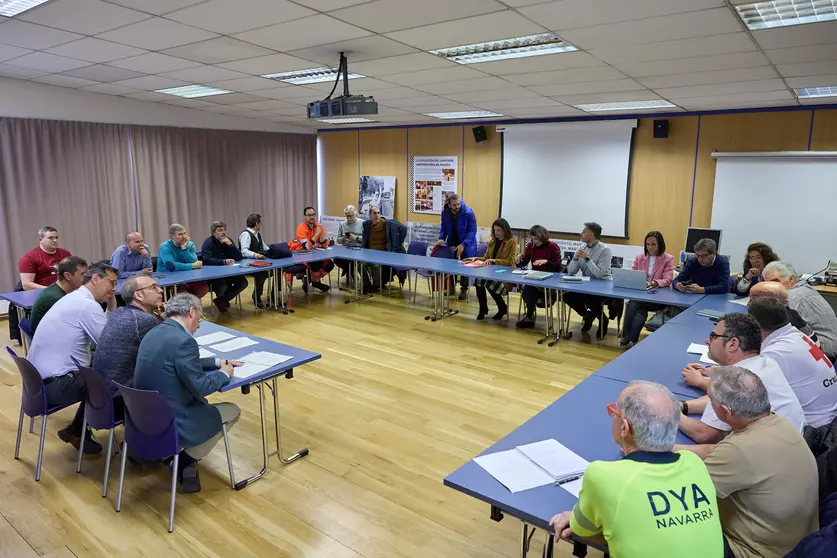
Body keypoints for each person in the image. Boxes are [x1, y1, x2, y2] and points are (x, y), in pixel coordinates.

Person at [549, 381, 724, 558]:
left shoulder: (601, 474)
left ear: (625, 427)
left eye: (614, 412)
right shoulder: (694, 463)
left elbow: (584, 530)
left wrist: (573, 517)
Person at [700, 367, 818, 558]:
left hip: (755, 551)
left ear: (725, 412)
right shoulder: (780, 424)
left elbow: (689, 493)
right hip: (798, 542)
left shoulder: (738, 449)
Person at [133, 294, 242, 493]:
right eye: (200, 317)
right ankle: (184, 460)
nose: (199, 324)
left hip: (142, 416)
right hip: (172, 420)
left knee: (203, 403)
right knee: (232, 411)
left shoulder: (155, 331)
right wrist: (223, 374)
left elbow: (179, 362)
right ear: (192, 312)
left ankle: (177, 458)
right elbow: (200, 387)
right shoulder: (184, 341)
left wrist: (217, 362)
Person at [678, 313, 805, 458]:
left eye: (713, 336)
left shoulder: (734, 379)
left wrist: (671, 413)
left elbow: (706, 434)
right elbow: (720, 399)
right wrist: (683, 406)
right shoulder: (766, 363)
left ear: (733, 344)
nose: (707, 341)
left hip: (771, 460)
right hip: (795, 449)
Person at [26, 261, 118, 454]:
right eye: (112, 283)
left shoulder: (73, 298)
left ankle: (78, 429)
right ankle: (139, 432)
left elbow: (105, 337)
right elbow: (111, 345)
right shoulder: (86, 306)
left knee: (99, 367)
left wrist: (110, 304)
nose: (115, 288)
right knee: (115, 377)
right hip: (57, 385)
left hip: (37, 383)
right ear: (95, 278)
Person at [748, 297, 837, 428]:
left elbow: (743, 392)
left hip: (815, 430)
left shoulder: (775, 353)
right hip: (829, 415)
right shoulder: (797, 335)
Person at [92, 275, 164, 420]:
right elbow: (171, 353)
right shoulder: (145, 320)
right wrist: (168, 322)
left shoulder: (119, 312)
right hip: (121, 402)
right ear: (138, 295)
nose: (161, 290)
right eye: (153, 287)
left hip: (98, 399)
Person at [11, 226, 73, 344]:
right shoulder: (30, 258)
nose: (55, 240)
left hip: (65, 293)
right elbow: (27, 285)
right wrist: (53, 290)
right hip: (43, 295)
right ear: (41, 239)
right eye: (50, 238)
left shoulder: (65, 254)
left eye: (56, 237)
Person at [763, 261, 837, 360]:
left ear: (791, 279)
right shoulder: (805, 288)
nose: (771, 288)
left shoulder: (791, 297)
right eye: (768, 283)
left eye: (776, 282)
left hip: (824, 353)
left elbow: (778, 330)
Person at [620, 231, 676, 348]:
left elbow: (667, 280)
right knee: (639, 308)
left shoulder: (668, 259)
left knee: (633, 303)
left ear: (660, 244)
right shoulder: (640, 257)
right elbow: (633, 275)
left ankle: (626, 335)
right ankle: (632, 338)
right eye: (648, 244)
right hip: (641, 295)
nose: (650, 247)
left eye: (653, 244)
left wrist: (652, 283)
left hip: (658, 297)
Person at [562, 222, 613, 338]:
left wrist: (587, 259)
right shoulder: (581, 248)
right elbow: (570, 272)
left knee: (591, 299)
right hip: (587, 284)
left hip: (603, 285)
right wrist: (575, 259)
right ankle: (588, 315)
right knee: (567, 296)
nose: (581, 233)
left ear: (591, 235)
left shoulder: (605, 250)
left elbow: (599, 274)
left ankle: (603, 320)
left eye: (584, 232)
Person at [464, 218, 517, 321]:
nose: (496, 233)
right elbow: (486, 258)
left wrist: (494, 260)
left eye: (499, 230)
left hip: (506, 273)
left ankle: (502, 307)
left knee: (490, 283)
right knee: (479, 280)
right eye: (495, 230)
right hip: (491, 272)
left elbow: (511, 261)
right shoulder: (492, 242)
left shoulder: (512, 241)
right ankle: (482, 308)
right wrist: (477, 258)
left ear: (505, 230)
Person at [515, 225, 561, 329]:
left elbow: (558, 265)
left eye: (536, 238)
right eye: (532, 238)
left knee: (530, 287)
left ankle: (530, 314)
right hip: (535, 276)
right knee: (528, 288)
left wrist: (546, 261)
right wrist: (518, 260)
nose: (534, 241)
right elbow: (524, 262)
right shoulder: (530, 246)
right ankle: (529, 315)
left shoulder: (553, 246)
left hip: (550, 277)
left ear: (542, 237)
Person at [29, 256, 87, 336]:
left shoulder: (56, 289)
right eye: (82, 274)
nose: (85, 278)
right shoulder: (57, 299)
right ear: (68, 276)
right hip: (47, 343)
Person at [200, 220, 249, 313]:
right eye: (220, 230)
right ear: (213, 232)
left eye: (224, 230)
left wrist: (231, 245)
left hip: (230, 272)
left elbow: (239, 257)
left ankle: (222, 300)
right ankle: (222, 302)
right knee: (222, 286)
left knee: (243, 282)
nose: (223, 232)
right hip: (215, 275)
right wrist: (223, 261)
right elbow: (206, 259)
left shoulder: (228, 240)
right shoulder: (208, 243)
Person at [435, 194, 477, 300]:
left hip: (466, 243)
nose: (457, 207)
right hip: (452, 240)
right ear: (449, 205)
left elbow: (472, 231)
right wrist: (441, 238)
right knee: (451, 265)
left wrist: (463, 244)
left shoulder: (468, 212)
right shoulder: (445, 212)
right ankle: (452, 288)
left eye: (458, 204)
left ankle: (463, 289)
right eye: (454, 205)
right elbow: (443, 227)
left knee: (464, 266)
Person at [749, 281, 818, 343]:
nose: (749, 303)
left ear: (771, 300)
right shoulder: (792, 313)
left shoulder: (778, 321)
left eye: (754, 298)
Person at [360, 205, 407, 294]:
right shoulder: (366, 224)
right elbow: (365, 238)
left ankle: (377, 286)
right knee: (360, 264)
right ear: (370, 215)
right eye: (374, 213)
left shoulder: (387, 223)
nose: (377, 215)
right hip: (368, 253)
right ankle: (366, 285)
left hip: (382, 254)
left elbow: (404, 229)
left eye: (378, 213)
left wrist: (397, 243)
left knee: (375, 265)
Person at [157, 223, 209, 299]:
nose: (184, 237)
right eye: (180, 234)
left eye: (185, 233)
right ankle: (187, 306)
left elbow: (194, 261)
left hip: (186, 276)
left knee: (203, 288)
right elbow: (171, 266)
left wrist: (184, 249)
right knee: (182, 293)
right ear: (172, 236)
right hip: (168, 278)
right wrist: (192, 266)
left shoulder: (190, 244)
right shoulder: (165, 246)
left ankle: (190, 305)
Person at [289, 206, 333, 293]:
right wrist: (317, 234)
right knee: (316, 264)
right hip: (302, 254)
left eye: (313, 214)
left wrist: (320, 234)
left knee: (330, 264)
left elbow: (325, 245)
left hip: (316, 254)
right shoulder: (301, 228)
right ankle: (313, 281)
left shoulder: (319, 226)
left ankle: (313, 280)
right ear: (305, 217)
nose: (312, 217)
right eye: (309, 215)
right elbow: (307, 247)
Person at [238, 213, 274, 309]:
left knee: (277, 271)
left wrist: (273, 250)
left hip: (258, 261)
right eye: (260, 223)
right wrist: (255, 255)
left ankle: (274, 295)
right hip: (248, 263)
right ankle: (256, 296)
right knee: (262, 274)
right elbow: (244, 251)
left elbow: (264, 247)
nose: (261, 225)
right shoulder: (246, 234)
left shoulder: (257, 234)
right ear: (256, 223)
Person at [336, 204, 364, 286]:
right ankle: (350, 271)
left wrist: (356, 238)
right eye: (347, 216)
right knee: (336, 260)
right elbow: (338, 240)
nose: (349, 218)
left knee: (352, 260)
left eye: (351, 216)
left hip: (359, 248)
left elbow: (367, 239)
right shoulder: (342, 224)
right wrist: (343, 238)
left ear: (356, 214)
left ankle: (349, 272)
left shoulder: (362, 223)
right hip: (346, 249)